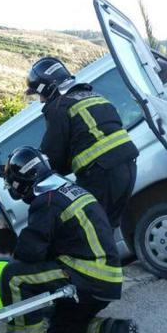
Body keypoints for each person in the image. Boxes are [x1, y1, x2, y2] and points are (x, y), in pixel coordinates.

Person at [0, 146, 138, 333]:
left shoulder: (47, 201)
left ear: (21, 183)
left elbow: (29, 253)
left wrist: (8, 241)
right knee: (60, 330)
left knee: (13, 277)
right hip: (106, 280)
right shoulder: (69, 190)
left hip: (86, 275)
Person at [26, 57, 139, 229]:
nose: (41, 100)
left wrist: (25, 171)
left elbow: (52, 156)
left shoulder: (58, 107)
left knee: (92, 229)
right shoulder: (92, 95)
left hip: (102, 174)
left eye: (39, 93)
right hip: (128, 167)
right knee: (107, 226)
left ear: (48, 87)